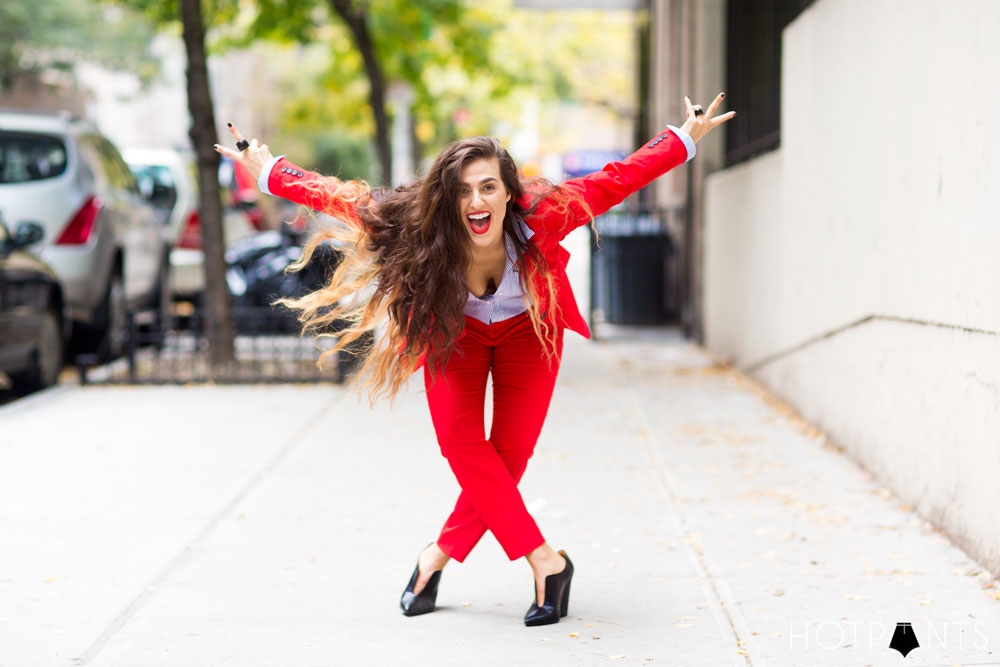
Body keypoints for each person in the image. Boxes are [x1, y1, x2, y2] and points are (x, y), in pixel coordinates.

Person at [214, 94, 734, 627]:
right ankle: (546, 562)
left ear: (510, 191)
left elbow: (614, 180)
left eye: (488, 186)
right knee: (462, 444)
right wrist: (270, 170)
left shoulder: (545, 214)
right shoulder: (418, 225)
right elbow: (340, 197)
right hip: (452, 334)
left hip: (529, 332)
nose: (475, 201)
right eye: (462, 190)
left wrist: (684, 137)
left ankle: (434, 558)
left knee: (507, 455)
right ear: (445, 196)